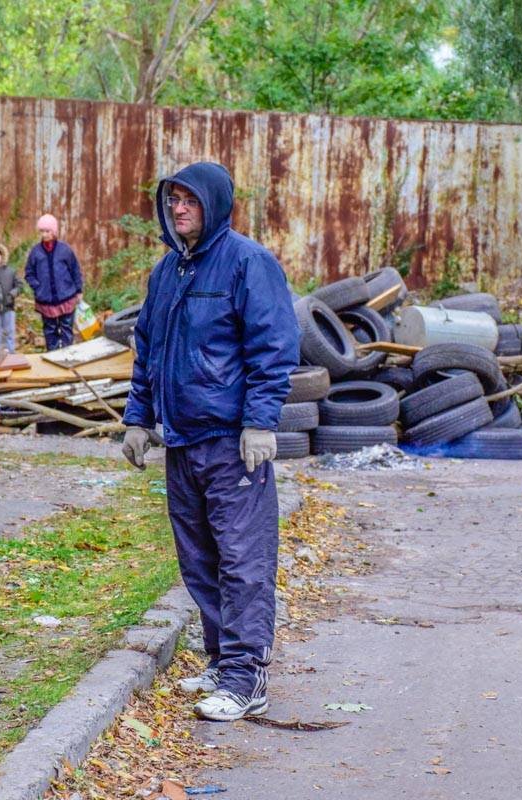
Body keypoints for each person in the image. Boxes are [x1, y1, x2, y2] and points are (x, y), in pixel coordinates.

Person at [121, 162, 299, 722]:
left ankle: (249, 676)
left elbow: (272, 346)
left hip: (231, 442)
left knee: (243, 558)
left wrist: (261, 422)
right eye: (172, 200)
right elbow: (149, 348)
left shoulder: (247, 262)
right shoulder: (169, 271)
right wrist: (138, 418)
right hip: (183, 440)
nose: (178, 210)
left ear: (214, 205)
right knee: (199, 558)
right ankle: (224, 661)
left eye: (189, 201)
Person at [24, 214, 82, 351]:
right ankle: (53, 356)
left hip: (66, 297)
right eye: (42, 231)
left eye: (47, 231)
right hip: (45, 300)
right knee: (50, 331)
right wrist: (38, 288)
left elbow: (75, 270)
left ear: (54, 232)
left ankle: (67, 356)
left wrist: (79, 290)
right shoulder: (36, 252)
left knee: (66, 329)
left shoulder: (65, 250)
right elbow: (29, 273)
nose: (45, 234)